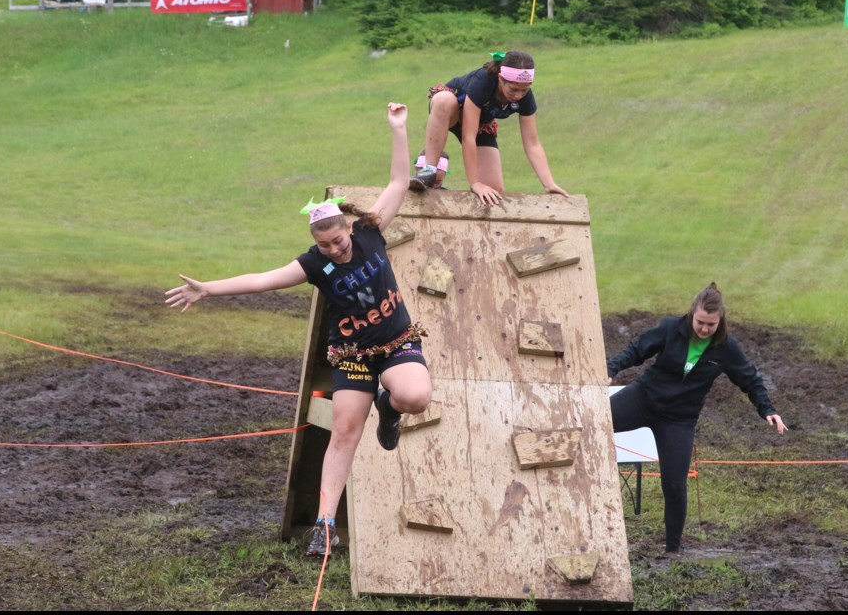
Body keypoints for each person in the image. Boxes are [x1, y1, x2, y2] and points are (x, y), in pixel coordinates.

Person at [165, 103, 432, 557]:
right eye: (323, 245)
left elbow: (397, 182)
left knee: (416, 398)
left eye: (337, 240)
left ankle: (389, 407)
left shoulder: (370, 231)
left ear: (348, 228)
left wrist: (399, 129)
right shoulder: (314, 263)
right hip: (350, 355)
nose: (333, 249)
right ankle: (324, 527)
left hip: (396, 343)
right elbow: (260, 280)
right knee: (345, 431)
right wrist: (207, 289)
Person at [606, 283, 787, 557]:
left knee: (675, 484)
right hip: (644, 398)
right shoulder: (670, 328)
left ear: (720, 322)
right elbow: (636, 350)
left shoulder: (727, 349)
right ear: (692, 314)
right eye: (700, 322)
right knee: (594, 423)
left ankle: (672, 551)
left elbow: (750, 379)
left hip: (679, 420)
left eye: (711, 325)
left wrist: (767, 410)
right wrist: (611, 369)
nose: (704, 329)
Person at [415, 50, 569, 205]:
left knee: (493, 193)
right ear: (501, 78)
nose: (518, 95)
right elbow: (468, 136)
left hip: (481, 126)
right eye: (513, 89)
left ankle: (441, 190)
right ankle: (429, 170)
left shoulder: (525, 98)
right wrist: (475, 183)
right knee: (444, 100)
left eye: (524, 89)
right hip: (451, 112)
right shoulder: (483, 81)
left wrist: (549, 184)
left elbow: (532, 143)